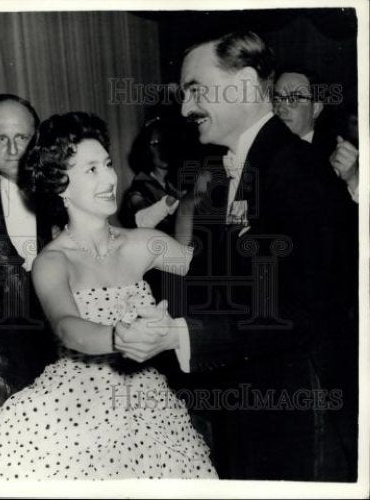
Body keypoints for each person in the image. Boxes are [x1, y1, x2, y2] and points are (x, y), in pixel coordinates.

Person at [114, 32, 358, 481]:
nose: (186, 109)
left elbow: (304, 310)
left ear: (244, 83)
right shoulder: (234, 173)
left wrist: (181, 335)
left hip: (303, 415)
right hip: (257, 407)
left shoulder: (297, 171)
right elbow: (223, 286)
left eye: (195, 90)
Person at [0, 111, 218, 480]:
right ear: (60, 184)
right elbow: (67, 327)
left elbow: (208, 271)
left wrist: (192, 202)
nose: (110, 177)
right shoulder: (53, 260)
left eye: (108, 164)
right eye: (91, 169)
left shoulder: (144, 243)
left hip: (147, 403)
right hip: (75, 409)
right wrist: (117, 335)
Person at [0, 94, 57, 423]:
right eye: (1, 138)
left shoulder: (63, 192)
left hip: (60, 353)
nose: (13, 150)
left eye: (22, 138)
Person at [273, 69, 359, 202]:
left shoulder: (338, 157)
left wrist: (353, 179)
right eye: (277, 98)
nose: (280, 108)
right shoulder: (261, 150)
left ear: (316, 109)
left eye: (293, 98)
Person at [120, 116, 182, 234]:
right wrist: (173, 198)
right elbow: (143, 221)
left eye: (167, 142)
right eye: (156, 144)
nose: (163, 149)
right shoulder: (138, 189)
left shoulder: (180, 180)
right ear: (146, 149)